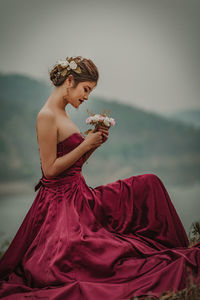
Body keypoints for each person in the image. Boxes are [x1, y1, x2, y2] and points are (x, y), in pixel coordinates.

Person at [0, 56, 199, 300]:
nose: (86, 98)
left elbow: (74, 164)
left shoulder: (62, 112)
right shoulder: (47, 115)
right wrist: (85, 145)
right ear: (70, 81)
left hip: (81, 194)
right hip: (63, 205)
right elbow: (50, 171)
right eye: (86, 90)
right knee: (110, 252)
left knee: (149, 184)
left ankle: (176, 246)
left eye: (90, 92)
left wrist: (93, 145)